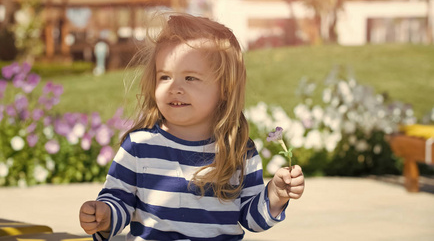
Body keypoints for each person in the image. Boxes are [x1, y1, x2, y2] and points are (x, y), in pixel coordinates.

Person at [79, 13, 305, 240]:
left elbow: (252, 219)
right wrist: (104, 215)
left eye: (190, 78)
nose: (175, 87)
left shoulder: (238, 150)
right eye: (165, 77)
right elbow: (118, 200)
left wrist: (276, 195)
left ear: (225, 88)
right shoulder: (140, 145)